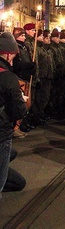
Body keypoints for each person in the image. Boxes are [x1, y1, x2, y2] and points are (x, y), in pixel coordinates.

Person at [0, 32, 27, 194]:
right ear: (9, 54)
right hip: (2, 132)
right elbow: (19, 110)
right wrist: (22, 100)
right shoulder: (8, 77)